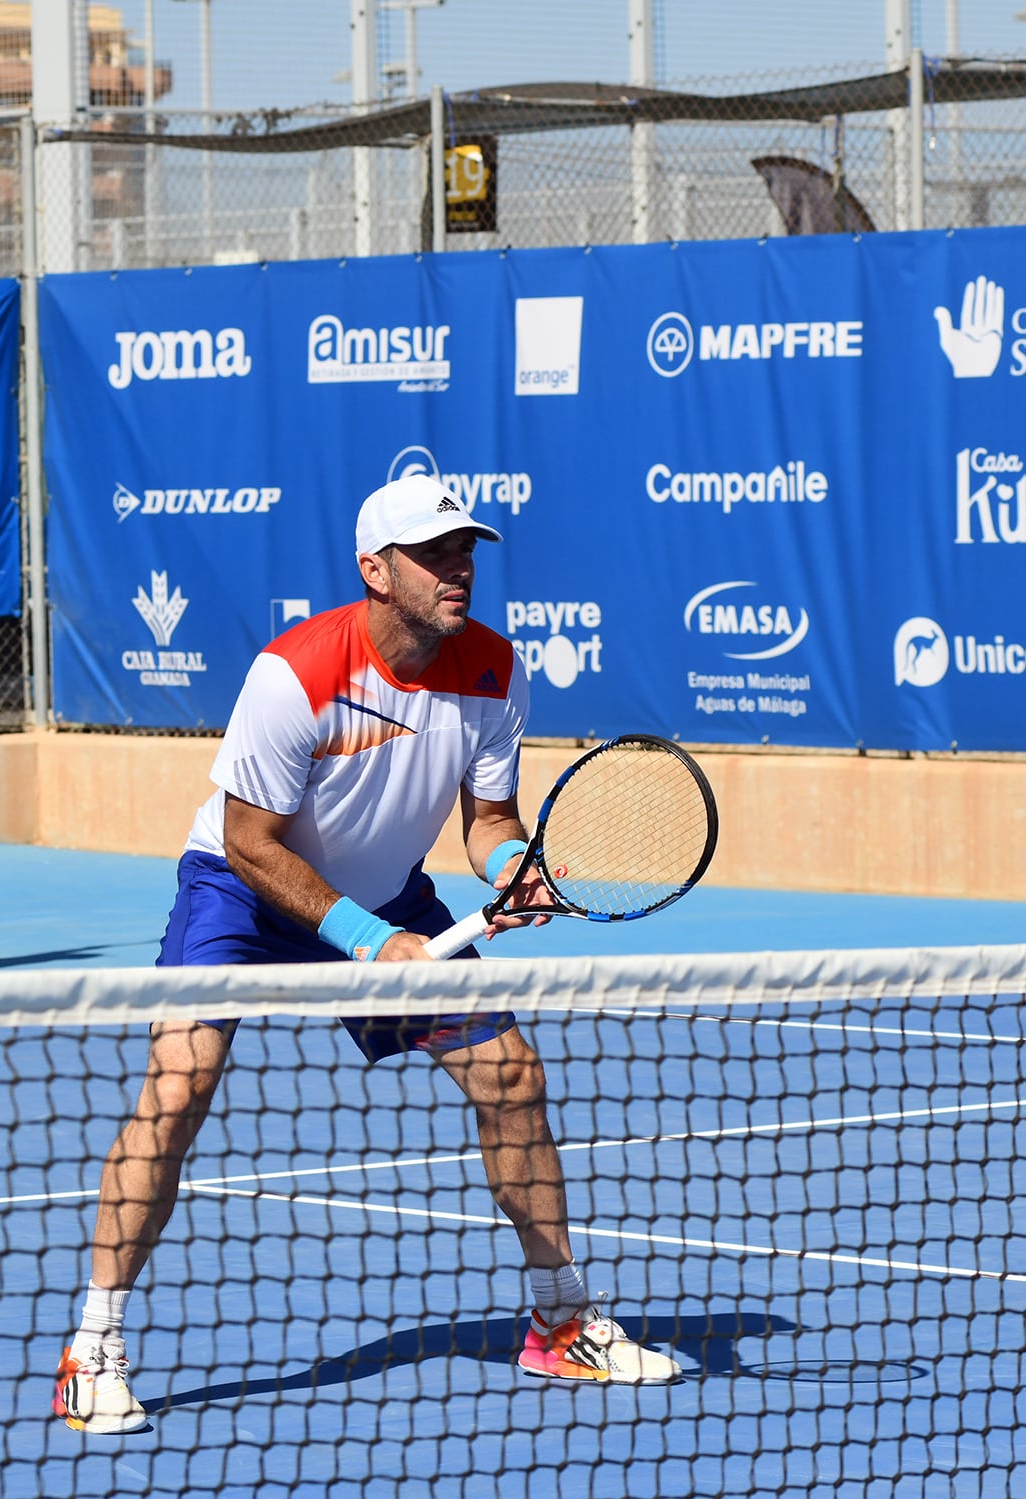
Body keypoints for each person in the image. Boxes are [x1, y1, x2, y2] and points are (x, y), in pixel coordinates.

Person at [52, 474, 681, 1435]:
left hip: (388, 891)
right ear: (375, 571)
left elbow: (490, 823)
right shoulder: (296, 674)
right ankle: (92, 1346)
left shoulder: (495, 671)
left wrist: (512, 871)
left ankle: (560, 1321)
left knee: (510, 1078)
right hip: (243, 890)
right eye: (435, 554)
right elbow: (250, 841)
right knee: (179, 1086)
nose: (457, 568)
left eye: (464, 550)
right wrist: (366, 940)